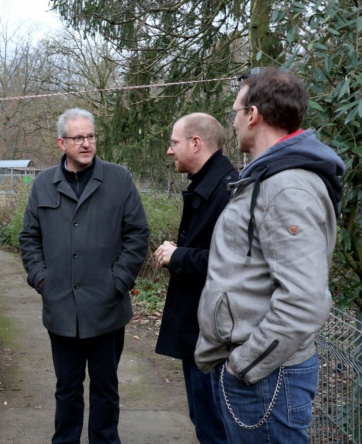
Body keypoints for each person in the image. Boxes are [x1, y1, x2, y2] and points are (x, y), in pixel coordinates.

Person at [195, 68, 345, 443]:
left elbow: (305, 301)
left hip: (265, 379)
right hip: (257, 374)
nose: (232, 121)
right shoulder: (267, 178)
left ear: (253, 114)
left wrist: (242, 366)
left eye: (235, 111)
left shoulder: (287, 188)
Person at [19, 108, 149, 444]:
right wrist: (42, 280)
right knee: (67, 388)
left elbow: (137, 235)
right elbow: (29, 239)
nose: (86, 143)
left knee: (105, 388)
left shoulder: (118, 180)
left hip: (107, 309)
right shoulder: (43, 184)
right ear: (62, 142)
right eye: (78, 138)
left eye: (90, 136)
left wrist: (117, 282)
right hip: (61, 308)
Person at [153, 113, 238, 443]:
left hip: (213, 336)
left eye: (174, 143)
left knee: (213, 426)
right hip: (200, 330)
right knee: (202, 420)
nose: (170, 151)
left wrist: (179, 256)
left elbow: (233, 264)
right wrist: (182, 250)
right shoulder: (209, 185)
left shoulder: (228, 190)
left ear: (196, 143)